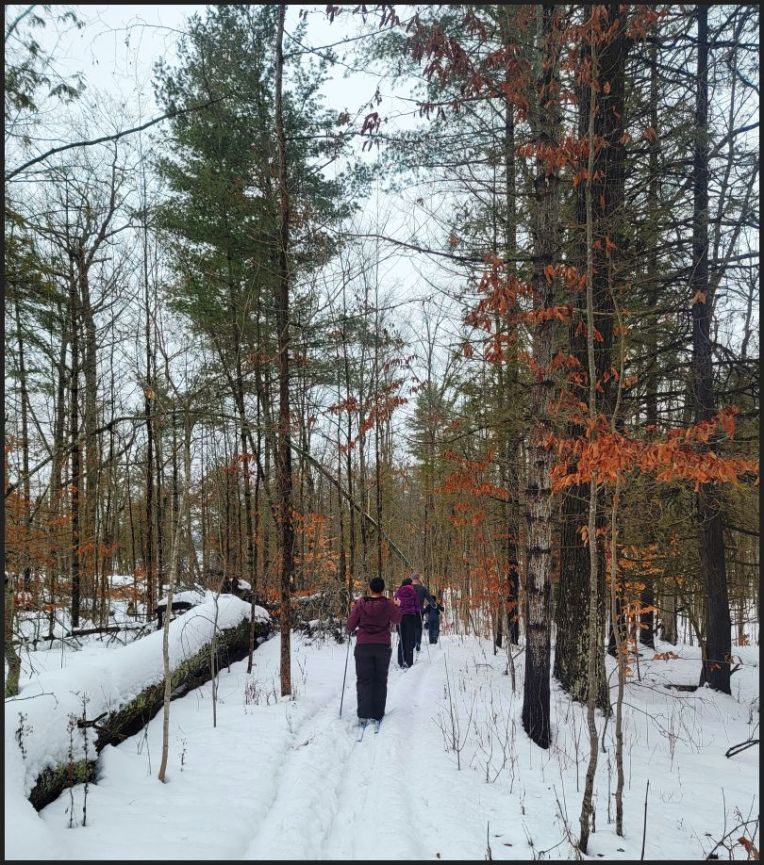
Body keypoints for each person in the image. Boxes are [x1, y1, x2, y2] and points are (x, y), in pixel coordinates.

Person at [346, 576, 402, 723]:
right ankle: (377, 714)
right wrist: (397, 605)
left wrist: (354, 613)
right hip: (382, 646)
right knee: (380, 680)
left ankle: (364, 715)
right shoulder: (388, 604)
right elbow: (397, 619)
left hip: (363, 646)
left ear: (370, 588)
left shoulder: (360, 604)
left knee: (364, 680)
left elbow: (350, 626)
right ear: (383, 589)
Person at [393, 576, 420, 668]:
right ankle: (409, 662)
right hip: (410, 617)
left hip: (400, 618)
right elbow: (417, 606)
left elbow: (395, 605)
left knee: (402, 639)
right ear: (410, 584)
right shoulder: (413, 592)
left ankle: (401, 662)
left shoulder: (398, 592)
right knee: (410, 639)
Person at [410, 573, 434, 652]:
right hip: (419, 611)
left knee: (411, 627)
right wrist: (434, 606)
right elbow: (430, 599)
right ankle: (417, 643)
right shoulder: (423, 589)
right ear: (419, 579)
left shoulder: (407, 588)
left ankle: (412, 643)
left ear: (412, 579)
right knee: (418, 628)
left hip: (409, 612)